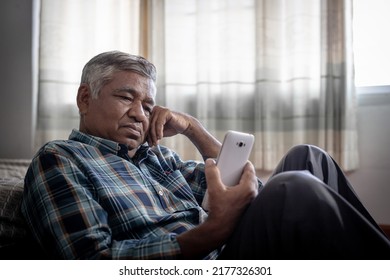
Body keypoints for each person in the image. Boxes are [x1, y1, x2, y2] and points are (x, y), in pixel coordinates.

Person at [21, 51, 390, 260]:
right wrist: (216, 230)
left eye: (148, 104)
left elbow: (250, 188)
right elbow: (94, 261)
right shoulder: (61, 159)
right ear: (85, 98)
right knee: (294, 187)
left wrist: (193, 128)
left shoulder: (157, 158)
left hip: (226, 241)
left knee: (309, 158)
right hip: (205, 260)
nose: (139, 113)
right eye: (124, 97)